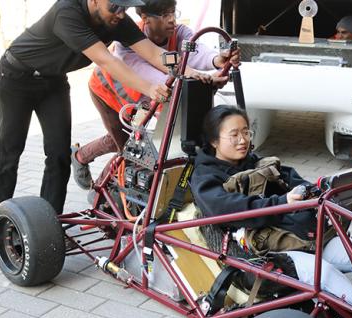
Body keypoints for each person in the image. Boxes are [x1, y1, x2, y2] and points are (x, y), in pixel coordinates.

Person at [0, 0, 219, 220]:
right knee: (11, 144)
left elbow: (155, 54)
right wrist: (148, 87)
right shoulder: (67, 13)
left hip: (53, 81)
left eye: (124, 7)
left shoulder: (116, 19)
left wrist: (194, 72)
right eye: (115, 6)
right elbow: (108, 60)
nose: (120, 13)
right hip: (16, 76)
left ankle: (49, 223)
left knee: (58, 153)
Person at [191, 105, 352, 318]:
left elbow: (295, 181)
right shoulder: (206, 178)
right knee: (323, 273)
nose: (243, 140)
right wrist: (281, 202)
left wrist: (316, 192)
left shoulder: (253, 162)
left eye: (246, 132)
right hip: (255, 258)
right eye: (234, 135)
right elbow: (232, 209)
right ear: (214, 141)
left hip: (295, 238)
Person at [71, 0, 239, 189]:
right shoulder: (128, 40)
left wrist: (217, 60)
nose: (172, 20)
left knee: (129, 139)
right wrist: (202, 80)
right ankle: (99, 194)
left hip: (146, 96)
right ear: (145, 18)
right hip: (107, 92)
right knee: (130, 150)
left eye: (173, 13)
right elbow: (153, 77)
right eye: (165, 15)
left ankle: (82, 156)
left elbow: (196, 53)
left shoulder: (180, 32)